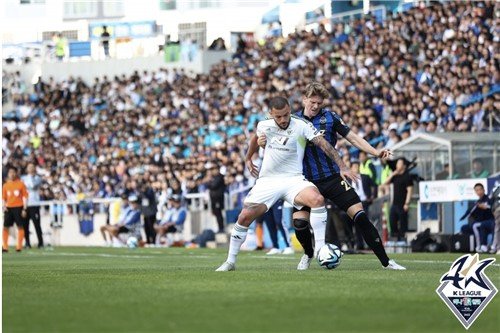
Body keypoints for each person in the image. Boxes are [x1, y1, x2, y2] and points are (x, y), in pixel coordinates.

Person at [258, 83, 405, 270]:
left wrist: (375, 152)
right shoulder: (292, 120)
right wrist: (262, 142)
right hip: (305, 182)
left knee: (360, 216)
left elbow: (353, 138)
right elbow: (272, 138)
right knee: (300, 223)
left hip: (333, 177)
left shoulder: (330, 118)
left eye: (319, 103)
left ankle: (386, 262)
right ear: (304, 99)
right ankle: (308, 254)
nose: (316, 106)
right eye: (312, 102)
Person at [216, 96, 356, 271]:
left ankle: (320, 249)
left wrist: (342, 166)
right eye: (278, 117)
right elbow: (255, 139)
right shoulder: (264, 125)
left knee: (317, 200)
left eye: (286, 115)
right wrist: (247, 158)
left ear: (290, 110)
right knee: (244, 217)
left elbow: (323, 144)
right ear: (271, 115)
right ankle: (230, 261)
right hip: (268, 180)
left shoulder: (301, 124)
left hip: (293, 179)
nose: (283, 120)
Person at [384, 158, 414, 243]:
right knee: (392, 221)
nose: (397, 165)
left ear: (404, 166)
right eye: (397, 163)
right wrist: (393, 174)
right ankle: (395, 238)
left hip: (402, 204)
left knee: (403, 223)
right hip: (394, 203)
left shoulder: (407, 177)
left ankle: (402, 240)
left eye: (400, 163)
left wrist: (407, 203)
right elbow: (385, 183)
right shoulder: (395, 176)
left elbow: (410, 190)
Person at [459, 183, 495, 253]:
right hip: (482, 222)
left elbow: (493, 208)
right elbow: (471, 213)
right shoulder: (478, 202)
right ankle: (475, 245)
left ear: (484, 190)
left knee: (476, 225)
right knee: (464, 228)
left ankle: (480, 246)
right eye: (477, 190)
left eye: (480, 190)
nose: (479, 192)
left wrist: (486, 207)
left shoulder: (489, 199)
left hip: (491, 221)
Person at [2, 167, 29, 253]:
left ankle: (19, 247)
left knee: (20, 226)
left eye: (13, 172)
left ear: (16, 173)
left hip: (19, 207)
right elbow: (3, 198)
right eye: (10, 172)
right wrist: (3, 206)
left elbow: (25, 196)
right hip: (9, 208)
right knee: (5, 227)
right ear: (8, 174)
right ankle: (5, 247)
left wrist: (24, 208)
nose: (12, 174)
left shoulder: (21, 184)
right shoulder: (6, 185)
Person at [21, 163, 44, 249]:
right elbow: (23, 189)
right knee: (25, 225)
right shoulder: (23, 178)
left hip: (35, 204)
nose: (30, 168)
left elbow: (33, 186)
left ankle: (40, 243)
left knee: (37, 224)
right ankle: (27, 243)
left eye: (32, 167)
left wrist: (29, 180)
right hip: (26, 204)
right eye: (29, 167)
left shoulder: (37, 178)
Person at [207, 165, 226, 233]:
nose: (213, 171)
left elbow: (213, 186)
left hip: (218, 198)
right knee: (216, 213)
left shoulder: (220, 177)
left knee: (219, 213)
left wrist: (209, 181)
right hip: (213, 199)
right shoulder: (213, 177)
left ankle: (221, 228)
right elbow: (209, 186)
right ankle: (219, 228)